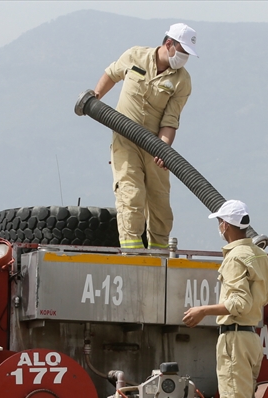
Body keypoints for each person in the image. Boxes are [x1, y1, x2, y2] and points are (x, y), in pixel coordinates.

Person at [182, 200, 268, 398]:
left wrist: (202, 311)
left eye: (220, 223)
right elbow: (261, 298)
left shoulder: (235, 258)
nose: (219, 228)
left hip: (234, 337)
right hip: (250, 337)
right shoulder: (259, 255)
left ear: (226, 225)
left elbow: (238, 304)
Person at [93, 23, 197, 251]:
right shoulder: (135, 56)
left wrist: (163, 149)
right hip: (125, 141)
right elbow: (111, 74)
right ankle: (132, 257)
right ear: (168, 44)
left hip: (155, 146)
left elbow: (171, 120)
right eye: (183, 52)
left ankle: (159, 259)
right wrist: (95, 99)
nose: (184, 58)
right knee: (132, 197)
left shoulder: (182, 81)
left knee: (160, 207)